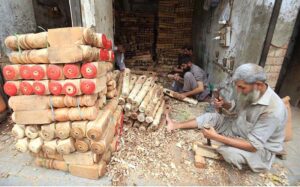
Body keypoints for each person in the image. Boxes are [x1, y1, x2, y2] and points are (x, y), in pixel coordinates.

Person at [166, 63, 287, 172]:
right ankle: (176, 125)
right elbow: (235, 108)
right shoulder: (250, 92)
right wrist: (224, 104)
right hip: (239, 127)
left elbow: (253, 146)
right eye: (238, 87)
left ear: (259, 85)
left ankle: (252, 163)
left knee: (228, 152)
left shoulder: (273, 110)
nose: (239, 91)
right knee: (211, 117)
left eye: (242, 88)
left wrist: (216, 137)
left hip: (260, 149)